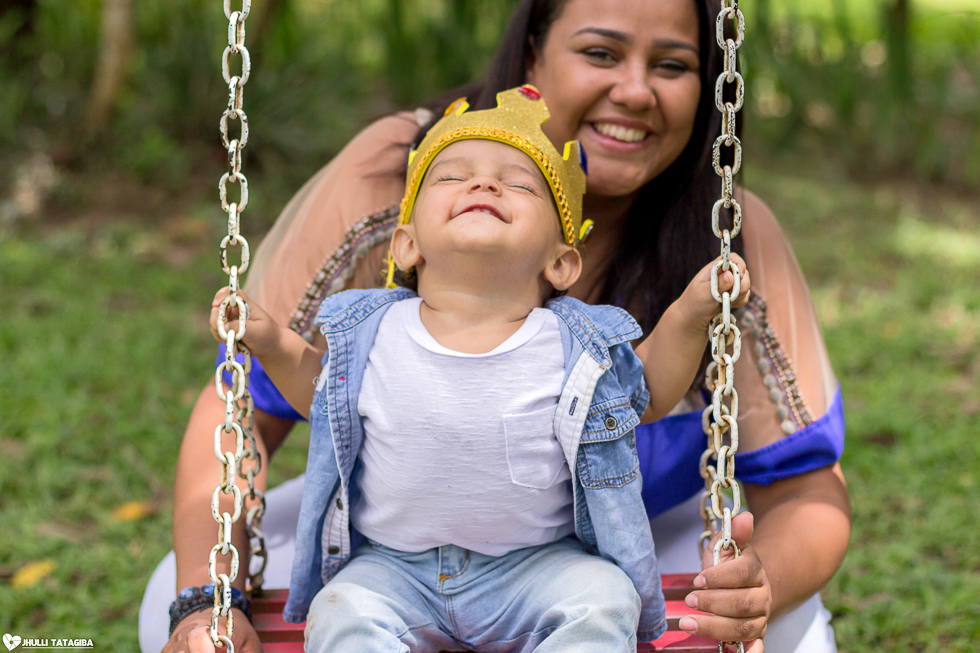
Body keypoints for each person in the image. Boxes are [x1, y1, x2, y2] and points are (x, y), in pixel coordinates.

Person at [142, 0, 850, 651]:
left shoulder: (718, 242)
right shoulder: (399, 188)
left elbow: (803, 491)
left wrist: (757, 586)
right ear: (534, 53)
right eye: (601, 53)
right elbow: (249, 410)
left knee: (785, 629)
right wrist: (210, 601)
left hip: (593, 536)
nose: (636, 91)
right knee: (177, 602)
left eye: (672, 65)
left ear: (562, 264)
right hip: (393, 541)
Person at [203, 86, 751, 651]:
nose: (483, 184)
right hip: (393, 572)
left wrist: (690, 311)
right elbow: (318, 395)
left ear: (561, 262)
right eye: (450, 177)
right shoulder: (372, 332)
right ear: (407, 245)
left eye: (518, 183)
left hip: (537, 568)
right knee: (342, 611)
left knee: (604, 597)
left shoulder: (573, 342)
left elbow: (651, 394)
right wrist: (268, 342)